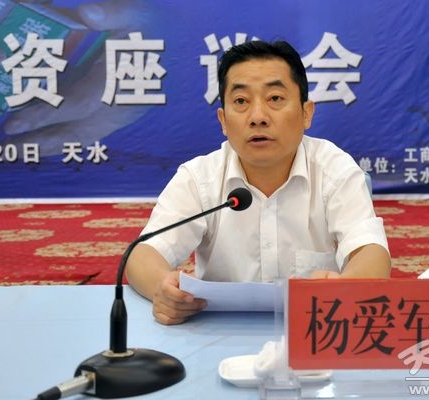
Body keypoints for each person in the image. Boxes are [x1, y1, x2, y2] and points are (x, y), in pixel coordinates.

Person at [126, 40, 391, 325]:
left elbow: (372, 253)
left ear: (306, 113)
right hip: (218, 330)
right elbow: (143, 253)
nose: (258, 117)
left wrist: (346, 287)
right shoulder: (199, 177)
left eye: (275, 98)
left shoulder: (335, 170)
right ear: (223, 120)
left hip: (314, 328)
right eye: (241, 101)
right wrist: (162, 287)